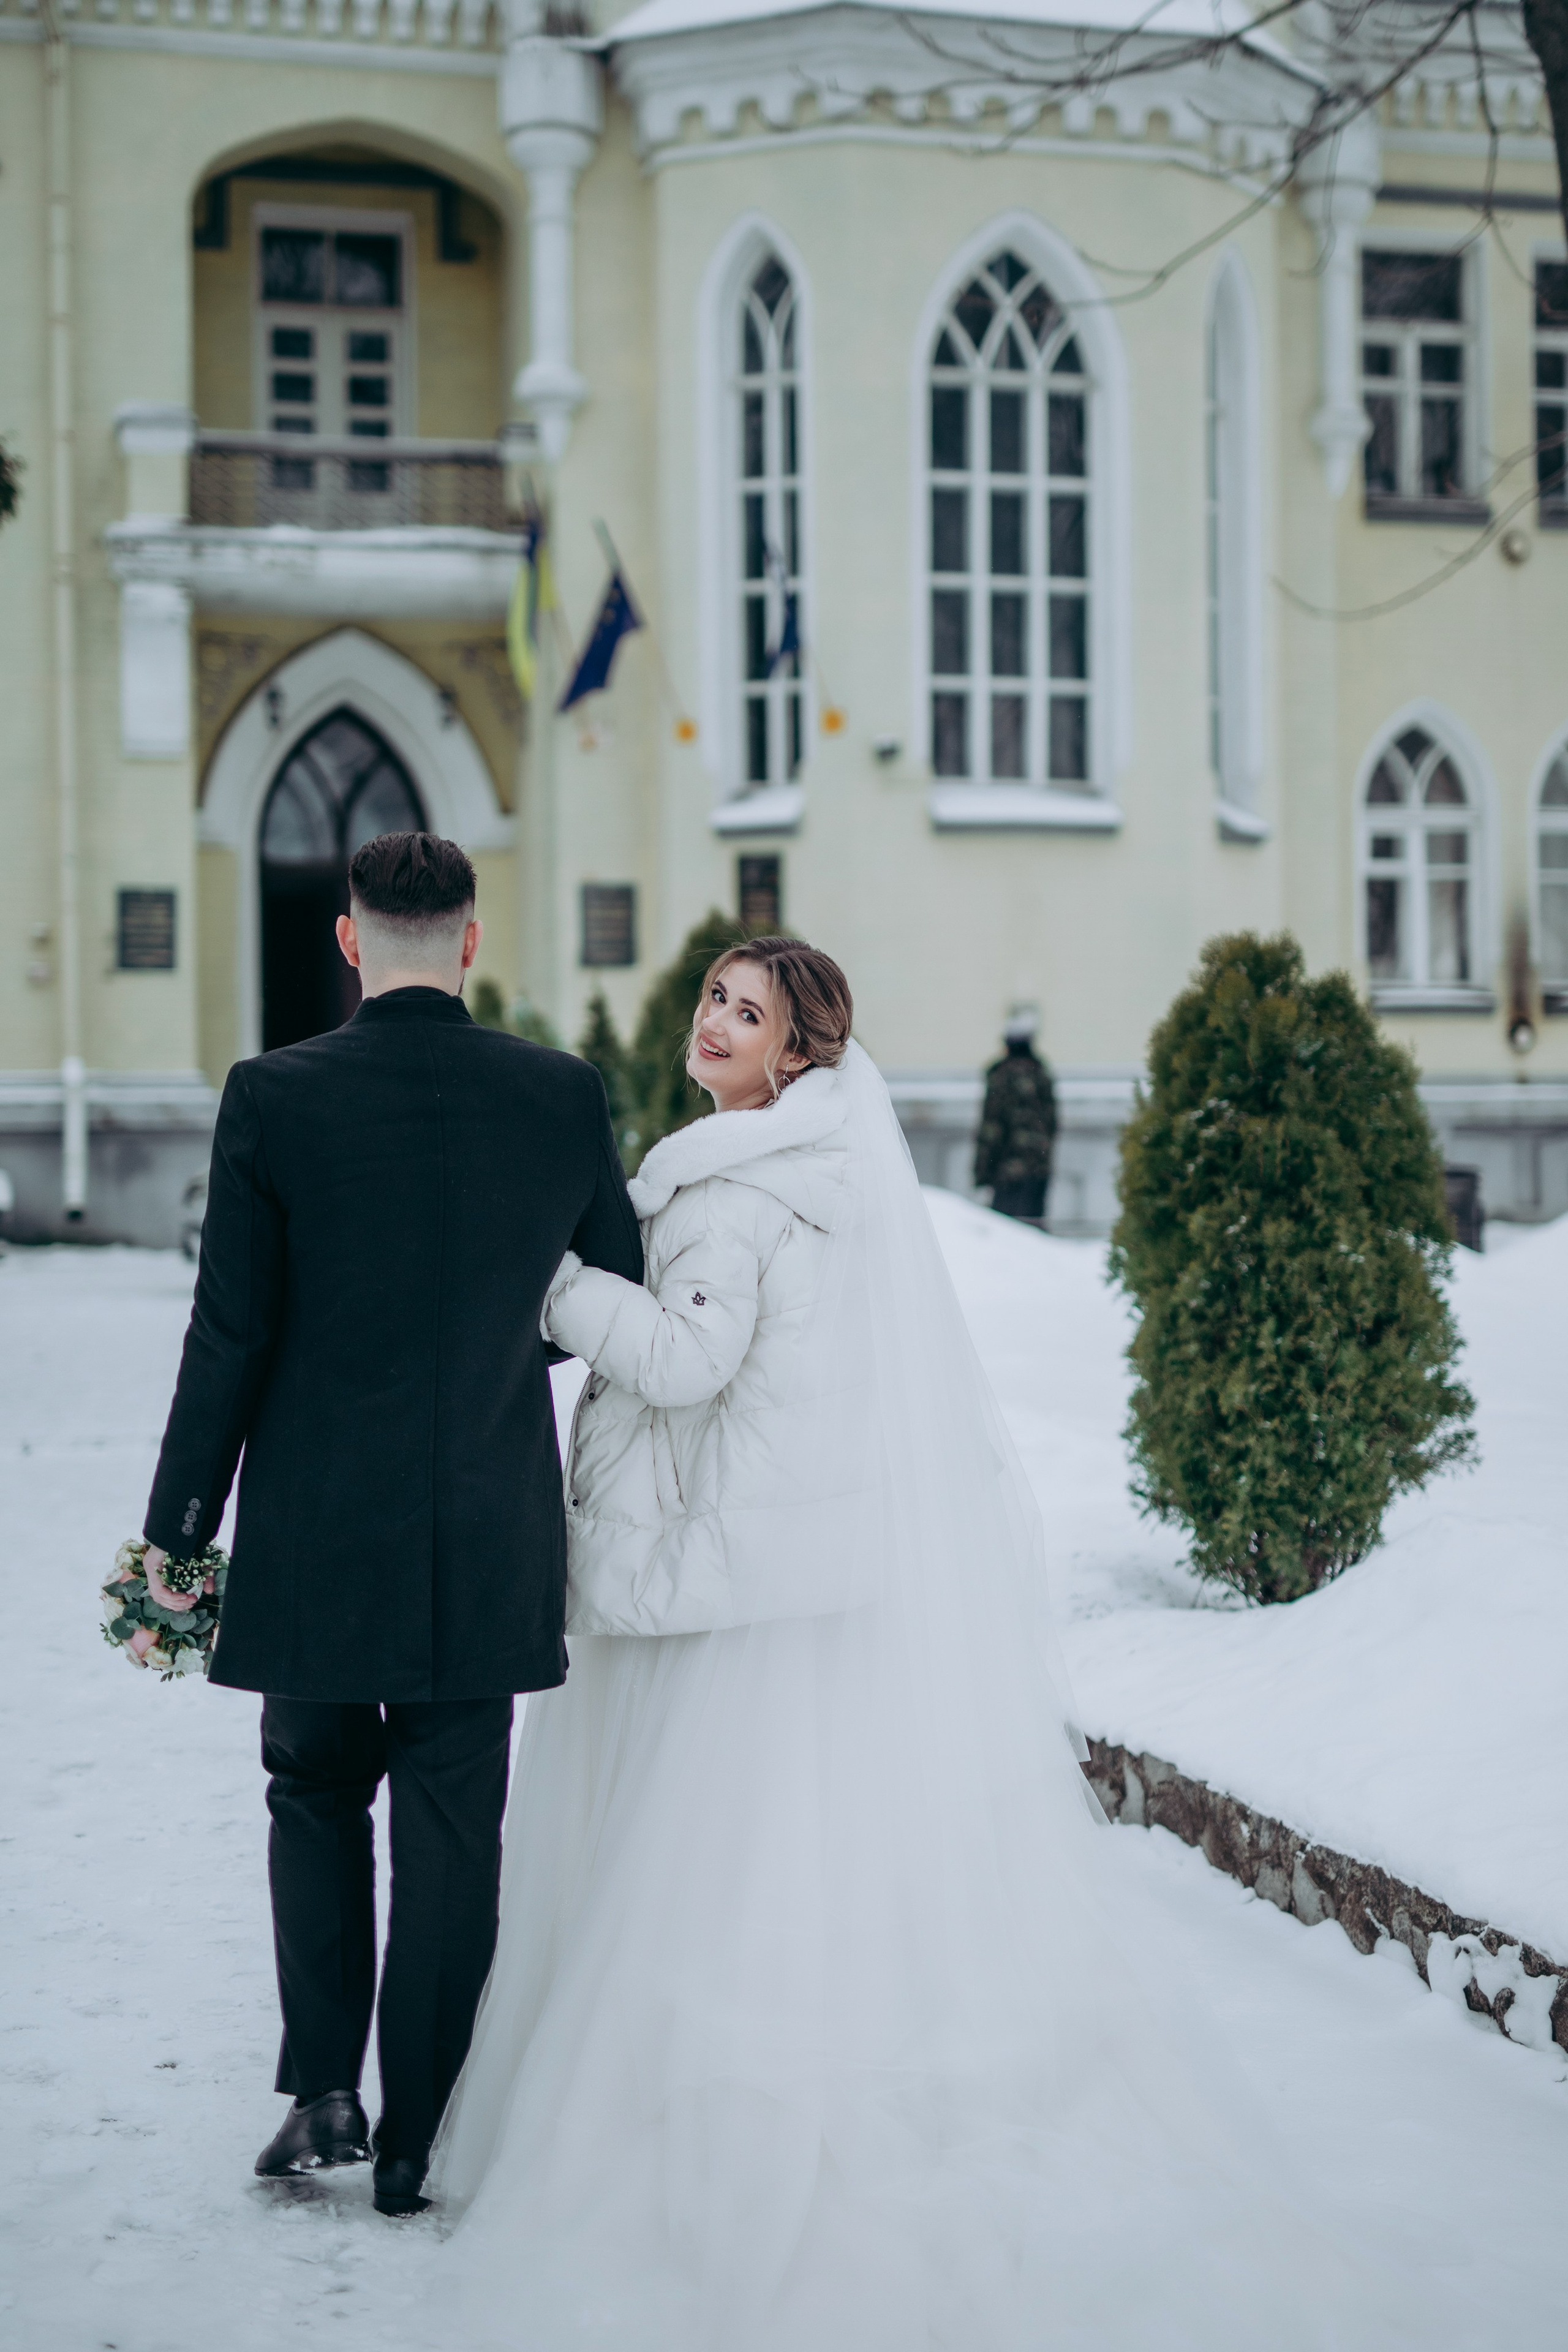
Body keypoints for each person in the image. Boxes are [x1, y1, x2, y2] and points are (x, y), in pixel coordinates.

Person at [422, 938, 1401, 2350]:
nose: (713, 1022)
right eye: (713, 998)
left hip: (718, 1587)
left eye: (746, 1012)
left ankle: (717, 2144)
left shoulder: (733, 1187)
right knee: (784, 1873)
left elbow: (687, 1364)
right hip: (783, 1573)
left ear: (795, 1055)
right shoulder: (820, 1172)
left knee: (699, 1885)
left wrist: (555, 1284)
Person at [139, 831, 642, 2218]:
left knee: (312, 1793)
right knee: (454, 1823)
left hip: (313, 1525)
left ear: (350, 940)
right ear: (470, 941)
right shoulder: (559, 1093)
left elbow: (229, 1334)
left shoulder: (272, 1095)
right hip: (486, 1513)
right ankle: (421, 2133)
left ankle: (324, 2092)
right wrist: (490, 1348)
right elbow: (611, 1287)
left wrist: (180, 1529)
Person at [973, 1006, 1057, 1223]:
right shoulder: (1042, 1073)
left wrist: (982, 1174)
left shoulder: (1002, 1076)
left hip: (1007, 1172)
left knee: (1006, 1233)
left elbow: (991, 1129)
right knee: (1032, 1229)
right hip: (1039, 1168)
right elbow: (1053, 1123)